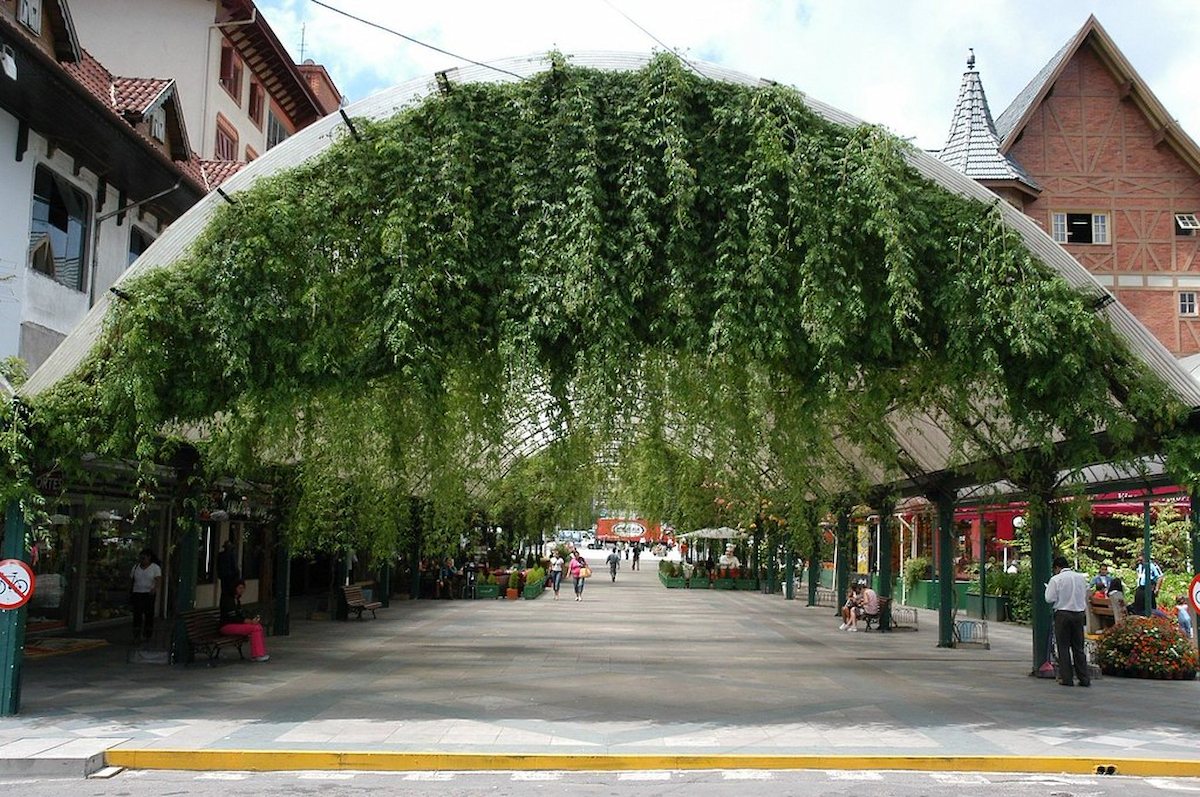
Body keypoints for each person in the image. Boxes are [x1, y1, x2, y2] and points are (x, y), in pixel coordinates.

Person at [1045, 555, 1090, 687]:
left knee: (1063, 647)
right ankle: (1084, 678)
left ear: (1057, 568)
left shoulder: (1056, 579)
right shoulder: (1081, 578)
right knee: (1078, 647)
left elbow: (1049, 598)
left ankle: (1067, 678)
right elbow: (1087, 592)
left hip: (1063, 614)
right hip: (1078, 614)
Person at [219, 580, 270, 662]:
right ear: (234, 588)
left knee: (258, 626)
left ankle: (259, 653)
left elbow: (240, 615)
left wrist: (250, 620)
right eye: (240, 588)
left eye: (243, 588)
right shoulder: (227, 600)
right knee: (254, 628)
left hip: (235, 625)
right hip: (226, 626)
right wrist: (246, 621)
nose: (242, 590)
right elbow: (232, 617)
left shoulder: (237, 600)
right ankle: (257, 654)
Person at [129, 548, 161, 641]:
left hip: (148, 593)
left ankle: (147, 633)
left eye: (144, 558)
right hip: (137, 592)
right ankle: (136, 634)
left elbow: (158, 580)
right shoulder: (136, 567)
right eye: (141, 558)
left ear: (149, 558)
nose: (142, 561)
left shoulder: (155, 568)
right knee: (137, 613)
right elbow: (131, 579)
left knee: (149, 613)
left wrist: (154, 588)